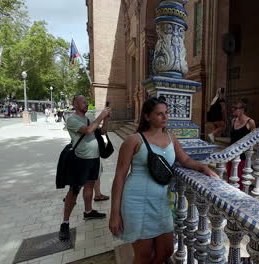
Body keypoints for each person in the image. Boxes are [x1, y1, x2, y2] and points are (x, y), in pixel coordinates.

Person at [109, 97, 218, 264]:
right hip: (135, 201)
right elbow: (120, 176)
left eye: (166, 113)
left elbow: (185, 160)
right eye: (159, 114)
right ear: (147, 116)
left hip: (160, 200)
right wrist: (115, 214)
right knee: (143, 254)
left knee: (166, 250)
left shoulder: (170, 137)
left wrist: (202, 167)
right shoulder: (134, 140)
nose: (165, 117)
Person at [59, 95, 112, 241]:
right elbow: (88, 131)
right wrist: (101, 115)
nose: (86, 104)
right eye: (83, 102)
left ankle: (88, 211)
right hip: (80, 160)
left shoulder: (88, 118)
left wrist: (106, 119)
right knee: (74, 190)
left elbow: (102, 132)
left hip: (94, 159)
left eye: (86, 102)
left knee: (89, 186)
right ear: (75, 104)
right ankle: (65, 222)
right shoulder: (72, 119)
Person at [226, 99, 256, 190]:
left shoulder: (250, 122)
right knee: (229, 177)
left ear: (242, 109)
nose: (233, 110)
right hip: (231, 153)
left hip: (242, 155)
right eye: (232, 108)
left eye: (235, 108)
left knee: (239, 178)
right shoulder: (233, 121)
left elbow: (255, 138)